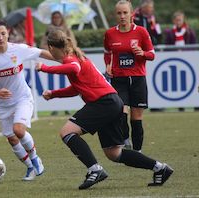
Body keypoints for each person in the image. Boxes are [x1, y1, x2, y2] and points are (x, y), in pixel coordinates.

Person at [36, 28, 173, 189]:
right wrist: (53, 94)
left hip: (104, 103)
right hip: (112, 103)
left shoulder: (71, 59)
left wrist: (44, 67)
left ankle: (95, 169)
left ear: (51, 48)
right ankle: (160, 168)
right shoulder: (75, 56)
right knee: (114, 154)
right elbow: (76, 88)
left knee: (67, 132)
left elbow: (73, 68)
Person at [0, 19, 53, 181]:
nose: (0, 37)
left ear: (8, 33)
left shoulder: (17, 49)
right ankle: (30, 167)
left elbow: (41, 52)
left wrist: (65, 59)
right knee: (11, 138)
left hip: (22, 99)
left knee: (19, 130)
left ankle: (35, 159)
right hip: (3, 104)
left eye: (3, 34)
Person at [104, 0, 155, 152]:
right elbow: (107, 52)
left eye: (125, 12)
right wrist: (108, 64)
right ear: (115, 15)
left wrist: (143, 53)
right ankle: (125, 140)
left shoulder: (141, 32)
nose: (122, 16)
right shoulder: (110, 33)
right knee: (119, 112)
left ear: (131, 14)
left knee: (136, 119)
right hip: (119, 79)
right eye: (119, 13)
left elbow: (152, 55)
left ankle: (137, 152)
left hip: (138, 79)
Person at [40, 11, 76, 116]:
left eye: (58, 17)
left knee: (68, 84)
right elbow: (43, 43)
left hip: (66, 59)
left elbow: (73, 42)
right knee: (53, 84)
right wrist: (52, 52)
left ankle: (67, 108)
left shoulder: (66, 28)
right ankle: (55, 107)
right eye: (54, 17)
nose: (56, 19)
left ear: (61, 18)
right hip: (53, 59)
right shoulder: (49, 29)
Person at [164, 11, 197, 112]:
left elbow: (193, 45)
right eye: (177, 20)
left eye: (180, 20)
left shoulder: (189, 32)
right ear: (174, 21)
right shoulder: (170, 33)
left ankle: (195, 103)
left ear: (183, 20)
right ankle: (180, 105)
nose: (178, 22)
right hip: (174, 61)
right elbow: (167, 46)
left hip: (188, 60)